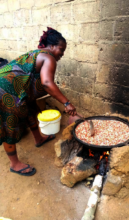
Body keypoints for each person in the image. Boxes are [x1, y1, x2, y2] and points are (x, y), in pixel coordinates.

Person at [0, 27, 77, 176]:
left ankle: (39, 139)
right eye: (61, 49)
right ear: (52, 46)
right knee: (9, 125)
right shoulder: (49, 57)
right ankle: (14, 164)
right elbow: (47, 83)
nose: (62, 54)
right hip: (5, 91)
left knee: (31, 110)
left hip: (17, 91)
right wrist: (67, 103)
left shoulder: (38, 54)